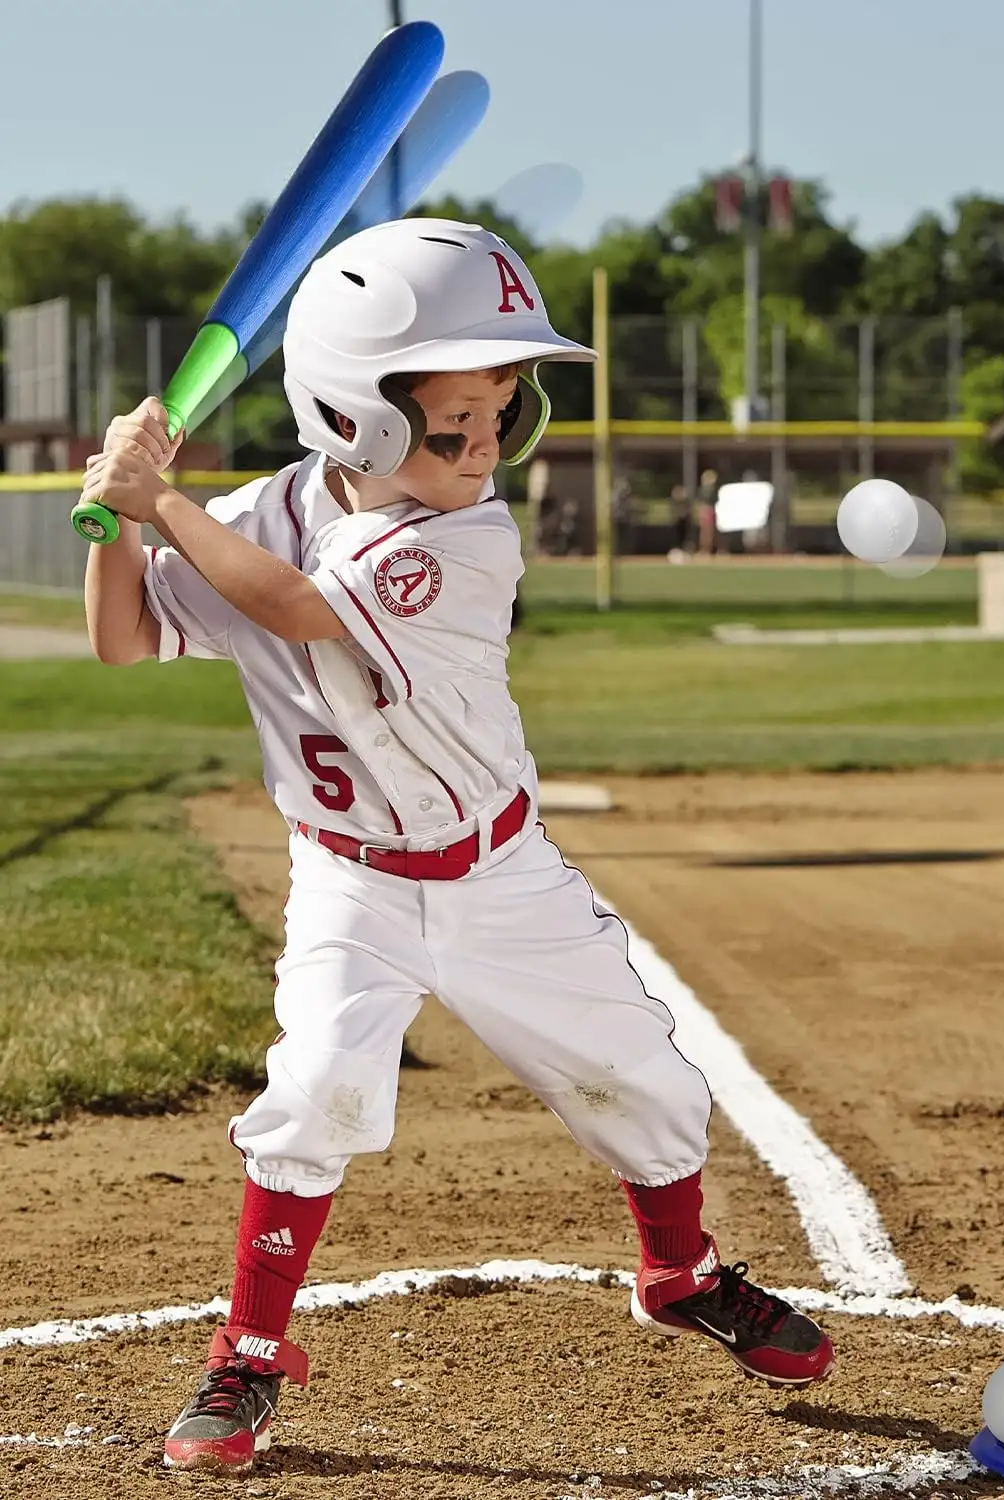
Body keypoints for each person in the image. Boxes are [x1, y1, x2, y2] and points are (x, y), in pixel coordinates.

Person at [78, 219, 835, 1477]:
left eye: (506, 409)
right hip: (351, 880)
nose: (486, 443)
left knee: (645, 1086)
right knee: (316, 1088)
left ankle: (680, 1271)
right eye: (453, 420)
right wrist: (114, 524)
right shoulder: (258, 512)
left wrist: (160, 503)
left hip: (498, 873)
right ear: (355, 417)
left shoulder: (465, 538)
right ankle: (250, 1358)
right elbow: (127, 639)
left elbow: (297, 605)